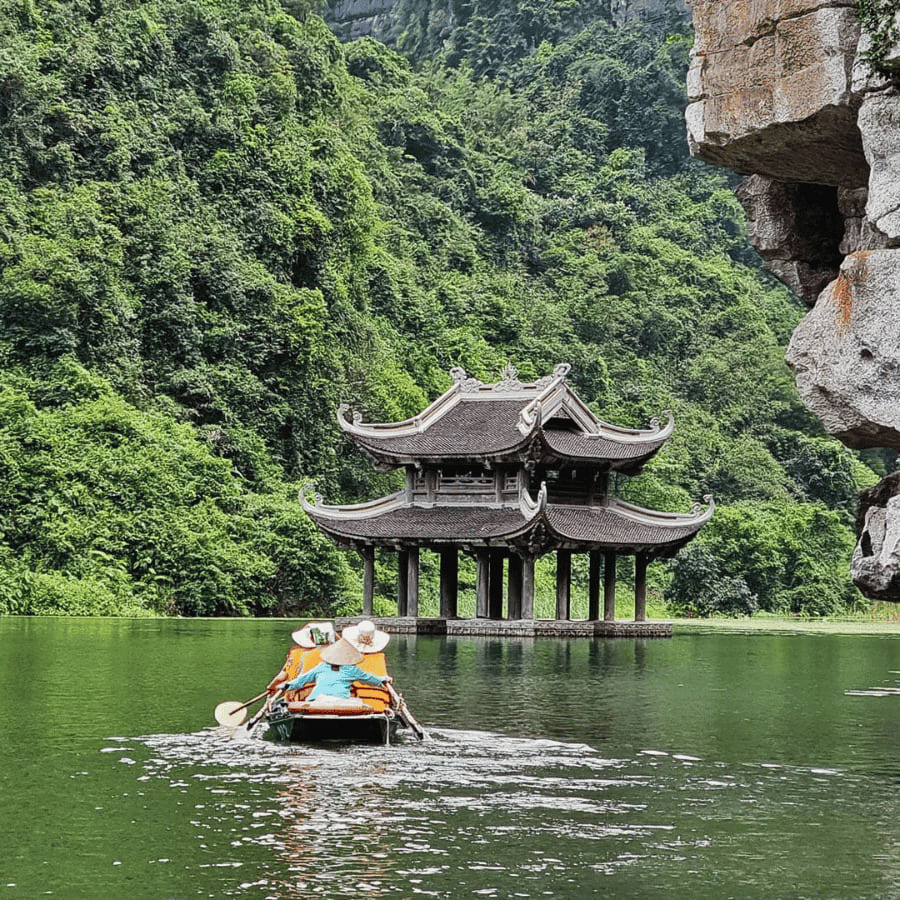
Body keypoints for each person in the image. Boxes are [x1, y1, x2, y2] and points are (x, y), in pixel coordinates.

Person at [278, 636, 391, 703]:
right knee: (358, 702)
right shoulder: (351, 669)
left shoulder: (321, 667)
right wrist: (383, 680)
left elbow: (301, 680)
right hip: (340, 701)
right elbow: (370, 678)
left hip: (316, 700)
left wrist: (287, 685)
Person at [266, 621, 336, 695]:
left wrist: (271, 686)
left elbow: (282, 677)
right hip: (321, 695)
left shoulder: (295, 651)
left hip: (295, 695)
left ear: (310, 637)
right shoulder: (334, 653)